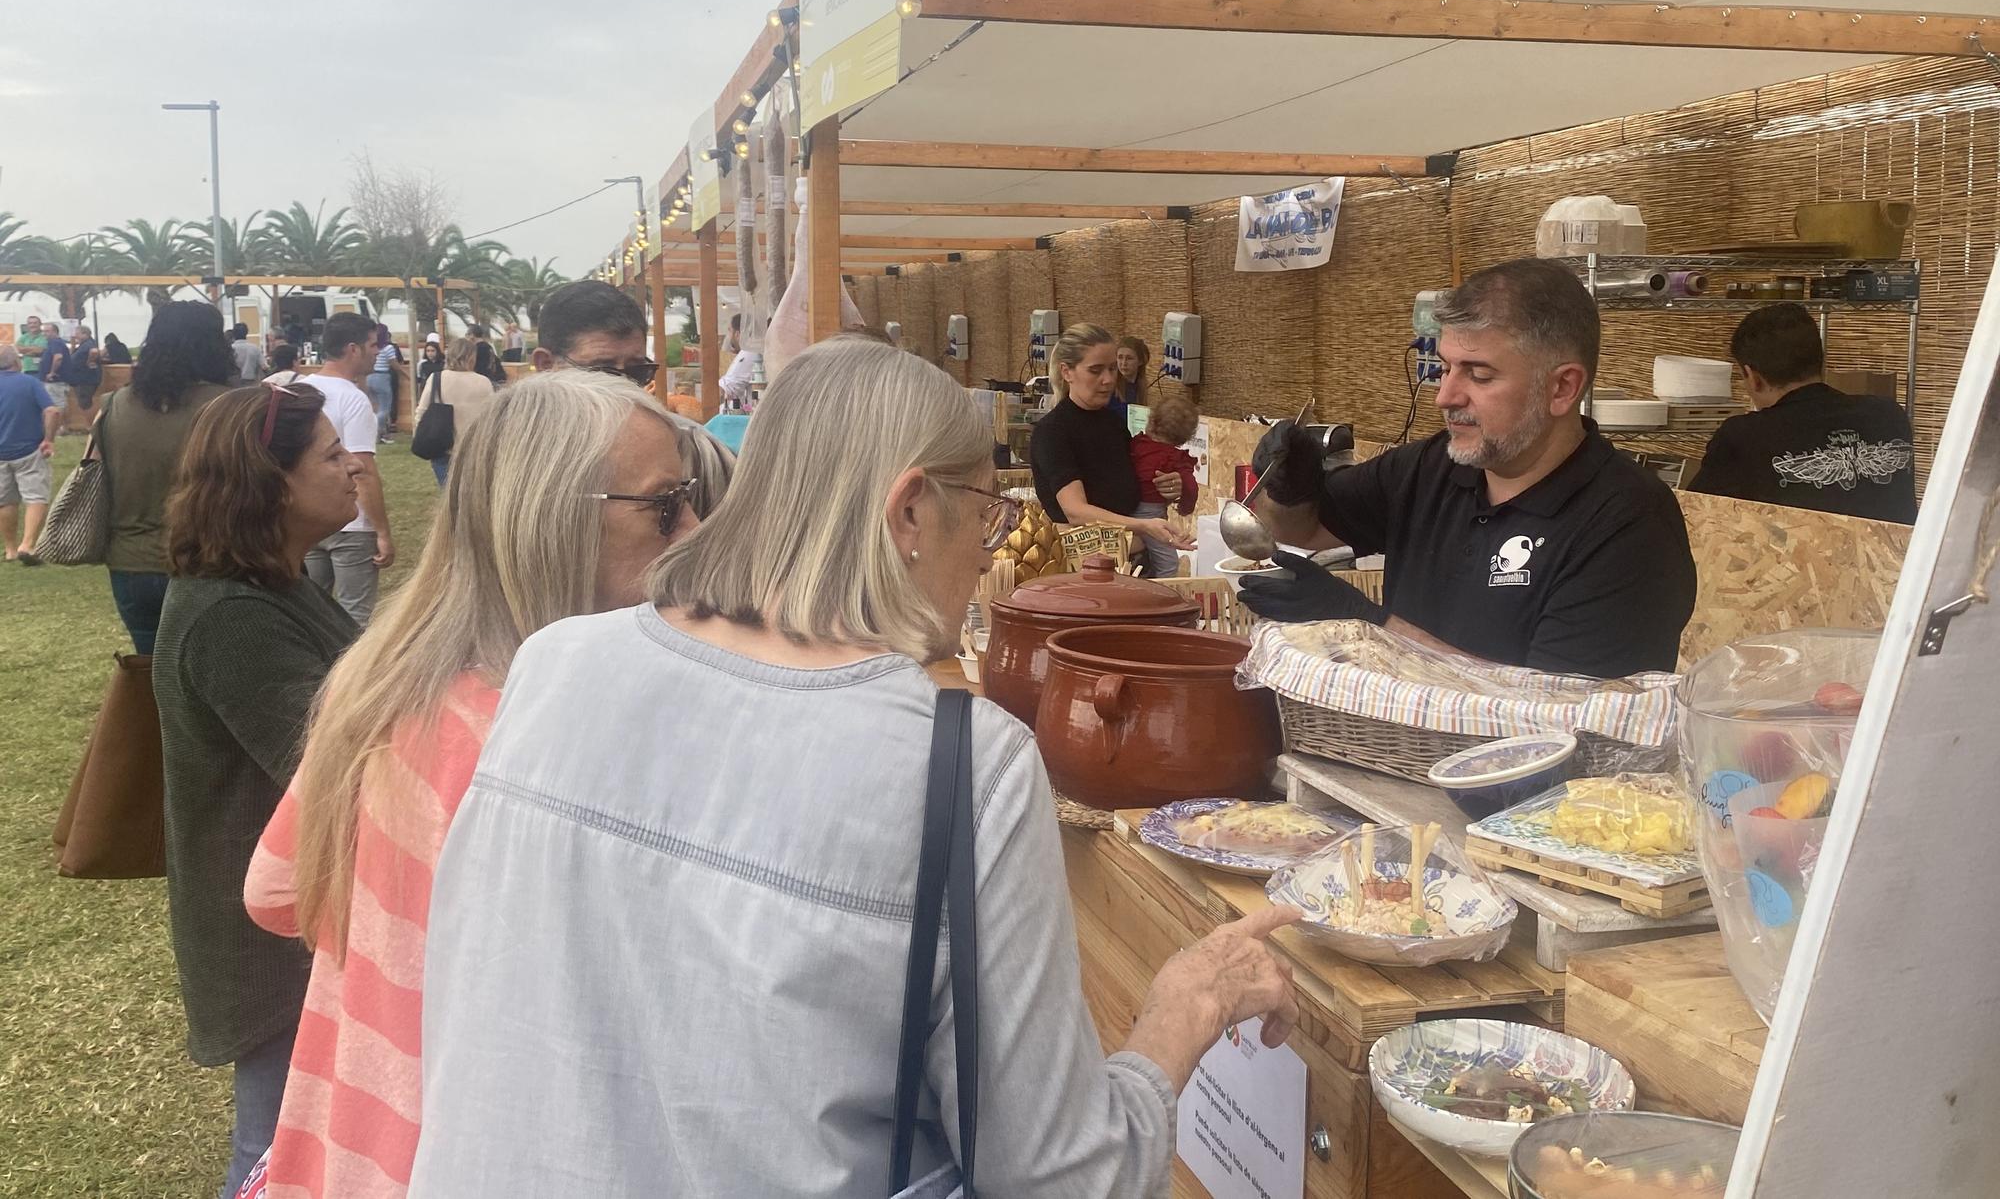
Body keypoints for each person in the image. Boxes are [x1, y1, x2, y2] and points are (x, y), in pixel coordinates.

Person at [409, 337, 1300, 1195]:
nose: (988, 549)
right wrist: (1185, 1008)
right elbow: (1059, 1177)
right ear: (911, 510)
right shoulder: (965, 764)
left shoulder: (557, 662)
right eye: (986, 512)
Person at [242, 372, 695, 1199]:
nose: (696, 531)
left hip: (344, 1144)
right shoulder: (554, 743)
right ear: (552, 518)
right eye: (666, 505)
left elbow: (275, 891)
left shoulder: (382, 676)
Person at [1241, 258, 1696, 678]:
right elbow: (1302, 531)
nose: (1446, 396)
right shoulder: (1431, 467)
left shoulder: (1626, 524)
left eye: (1479, 375)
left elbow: (1561, 712)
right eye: (1446, 368)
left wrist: (1371, 627)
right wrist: (1289, 488)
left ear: (1562, 388)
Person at [153, 382, 364, 1198]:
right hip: (274, 934)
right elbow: (333, 770)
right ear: (269, 481)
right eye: (330, 454)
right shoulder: (233, 617)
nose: (353, 467)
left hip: (295, 913)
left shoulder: (276, 581)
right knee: (278, 1147)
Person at [1686, 302, 1918, 523]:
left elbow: (1695, 517)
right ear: (1820, 361)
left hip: (1792, 562)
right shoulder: (1888, 414)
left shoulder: (1744, 435)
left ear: (1753, 377)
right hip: (1907, 563)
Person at [96, 300, 236, 646]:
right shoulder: (232, 406)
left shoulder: (114, 405)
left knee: (151, 674)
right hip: (208, 560)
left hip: (131, 564)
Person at [532, 279, 733, 518]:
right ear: (546, 365)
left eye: (637, 372)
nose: (623, 388)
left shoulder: (685, 447)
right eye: (602, 373)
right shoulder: (514, 457)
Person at [1029, 323, 1192, 559]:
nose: (1108, 379)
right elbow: (1076, 511)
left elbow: (1133, 478)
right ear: (1067, 372)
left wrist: (1168, 484)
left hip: (1131, 556)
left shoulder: (1112, 422)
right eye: (1095, 371)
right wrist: (1144, 526)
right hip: (1083, 566)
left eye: (1112, 369)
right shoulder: (1053, 432)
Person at [304, 313, 394, 624]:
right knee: (355, 618)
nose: (377, 352)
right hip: (351, 525)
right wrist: (382, 530)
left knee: (309, 613)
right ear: (353, 349)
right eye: (373, 345)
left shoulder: (300, 389)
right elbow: (362, 471)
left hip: (307, 519)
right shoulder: (353, 400)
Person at [1128, 392, 1200, 577]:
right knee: (1168, 564)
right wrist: (1184, 508)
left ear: (1151, 421)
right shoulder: (1175, 460)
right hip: (1151, 513)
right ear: (1186, 437)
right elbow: (1190, 488)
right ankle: (1164, 595)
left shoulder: (1136, 444)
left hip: (1124, 509)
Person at [0, 345, 58, 563]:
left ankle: (10, 549)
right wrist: (49, 439)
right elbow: (52, 410)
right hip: (29, 451)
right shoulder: (30, 383)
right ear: (17, 362)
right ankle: (28, 544)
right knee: (36, 498)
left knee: (5, 501)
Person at [413, 338, 496, 487]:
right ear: (472, 356)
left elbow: (421, 412)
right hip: (474, 449)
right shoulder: (483, 382)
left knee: (448, 496)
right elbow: (492, 418)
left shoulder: (436, 378)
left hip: (443, 448)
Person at [367, 328, 400, 442]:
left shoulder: (371, 347)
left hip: (369, 376)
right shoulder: (388, 348)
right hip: (382, 377)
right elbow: (394, 364)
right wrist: (407, 374)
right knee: (384, 408)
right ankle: (378, 433)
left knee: (374, 408)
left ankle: (379, 433)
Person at [37, 326, 72, 425]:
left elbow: (58, 357)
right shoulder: (54, 343)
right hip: (56, 380)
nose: (44, 334)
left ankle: (59, 427)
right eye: (43, 331)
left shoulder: (55, 343)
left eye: (47, 331)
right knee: (60, 403)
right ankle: (61, 426)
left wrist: (52, 372)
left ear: (55, 332)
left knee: (57, 404)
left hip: (55, 380)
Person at [1111, 334, 1151, 409]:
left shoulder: (1140, 386)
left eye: (1129, 358)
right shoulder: (1111, 387)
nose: (1123, 363)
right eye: (1120, 357)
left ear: (1140, 361)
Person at [230, 323, 266, 387]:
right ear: (246, 333)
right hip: (252, 384)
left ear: (233, 334)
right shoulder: (255, 348)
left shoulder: (230, 349)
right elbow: (264, 366)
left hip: (234, 384)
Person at [414, 335, 445, 401]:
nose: (430, 353)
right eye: (428, 351)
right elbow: (419, 381)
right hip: (426, 391)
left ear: (437, 351)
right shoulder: (422, 364)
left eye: (432, 351)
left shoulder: (443, 364)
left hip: (440, 391)